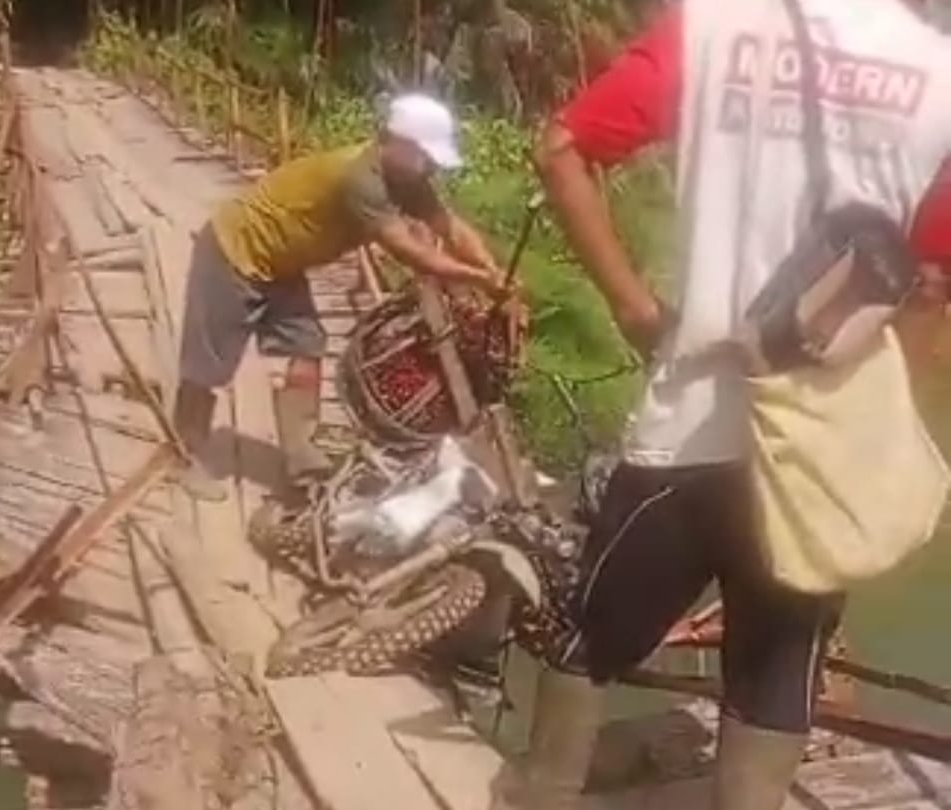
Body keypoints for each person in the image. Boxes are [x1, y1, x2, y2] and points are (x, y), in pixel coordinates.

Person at [493, 1, 951, 809]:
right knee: (776, 676)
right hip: (821, 453)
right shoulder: (939, 73)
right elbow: (930, 281)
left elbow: (561, 147)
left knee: (590, 633)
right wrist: (883, 415)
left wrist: (637, 309)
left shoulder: (710, 26)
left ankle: (540, 792)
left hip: (694, 417)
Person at [173, 93, 513, 501]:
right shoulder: (361, 179)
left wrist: (494, 272)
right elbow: (410, 252)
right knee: (208, 365)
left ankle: (301, 457)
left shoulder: (407, 181)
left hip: (281, 264)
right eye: (427, 156)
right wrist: (477, 277)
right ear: (400, 143)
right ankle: (187, 456)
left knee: (307, 346)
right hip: (235, 250)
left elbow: (450, 229)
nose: (433, 167)